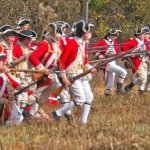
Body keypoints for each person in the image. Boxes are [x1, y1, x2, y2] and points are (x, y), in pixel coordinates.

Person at [52, 20, 96, 124]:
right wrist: (63, 77)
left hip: (81, 74)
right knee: (80, 99)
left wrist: (90, 67)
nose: (90, 33)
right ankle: (57, 113)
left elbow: (84, 61)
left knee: (89, 97)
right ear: (84, 32)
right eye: (89, 31)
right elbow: (61, 61)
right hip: (72, 74)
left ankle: (83, 122)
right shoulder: (72, 43)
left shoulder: (83, 43)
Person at [92, 29, 127, 95]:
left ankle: (107, 94)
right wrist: (98, 55)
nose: (116, 37)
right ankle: (119, 89)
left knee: (111, 82)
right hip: (107, 63)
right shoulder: (103, 41)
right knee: (124, 72)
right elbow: (93, 47)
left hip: (113, 62)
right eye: (115, 36)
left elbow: (117, 53)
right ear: (111, 35)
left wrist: (122, 54)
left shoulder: (115, 42)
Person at [122, 28, 150, 94]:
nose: (142, 36)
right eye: (140, 34)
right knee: (142, 77)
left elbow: (148, 50)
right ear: (137, 35)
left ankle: (140, 90)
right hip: (137, 61)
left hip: (144, 60)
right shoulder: (133, 41)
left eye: (143, 34)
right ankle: (130, 87)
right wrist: (130, 53)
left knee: (144, 77)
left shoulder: (145, 41)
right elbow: (124, 46)